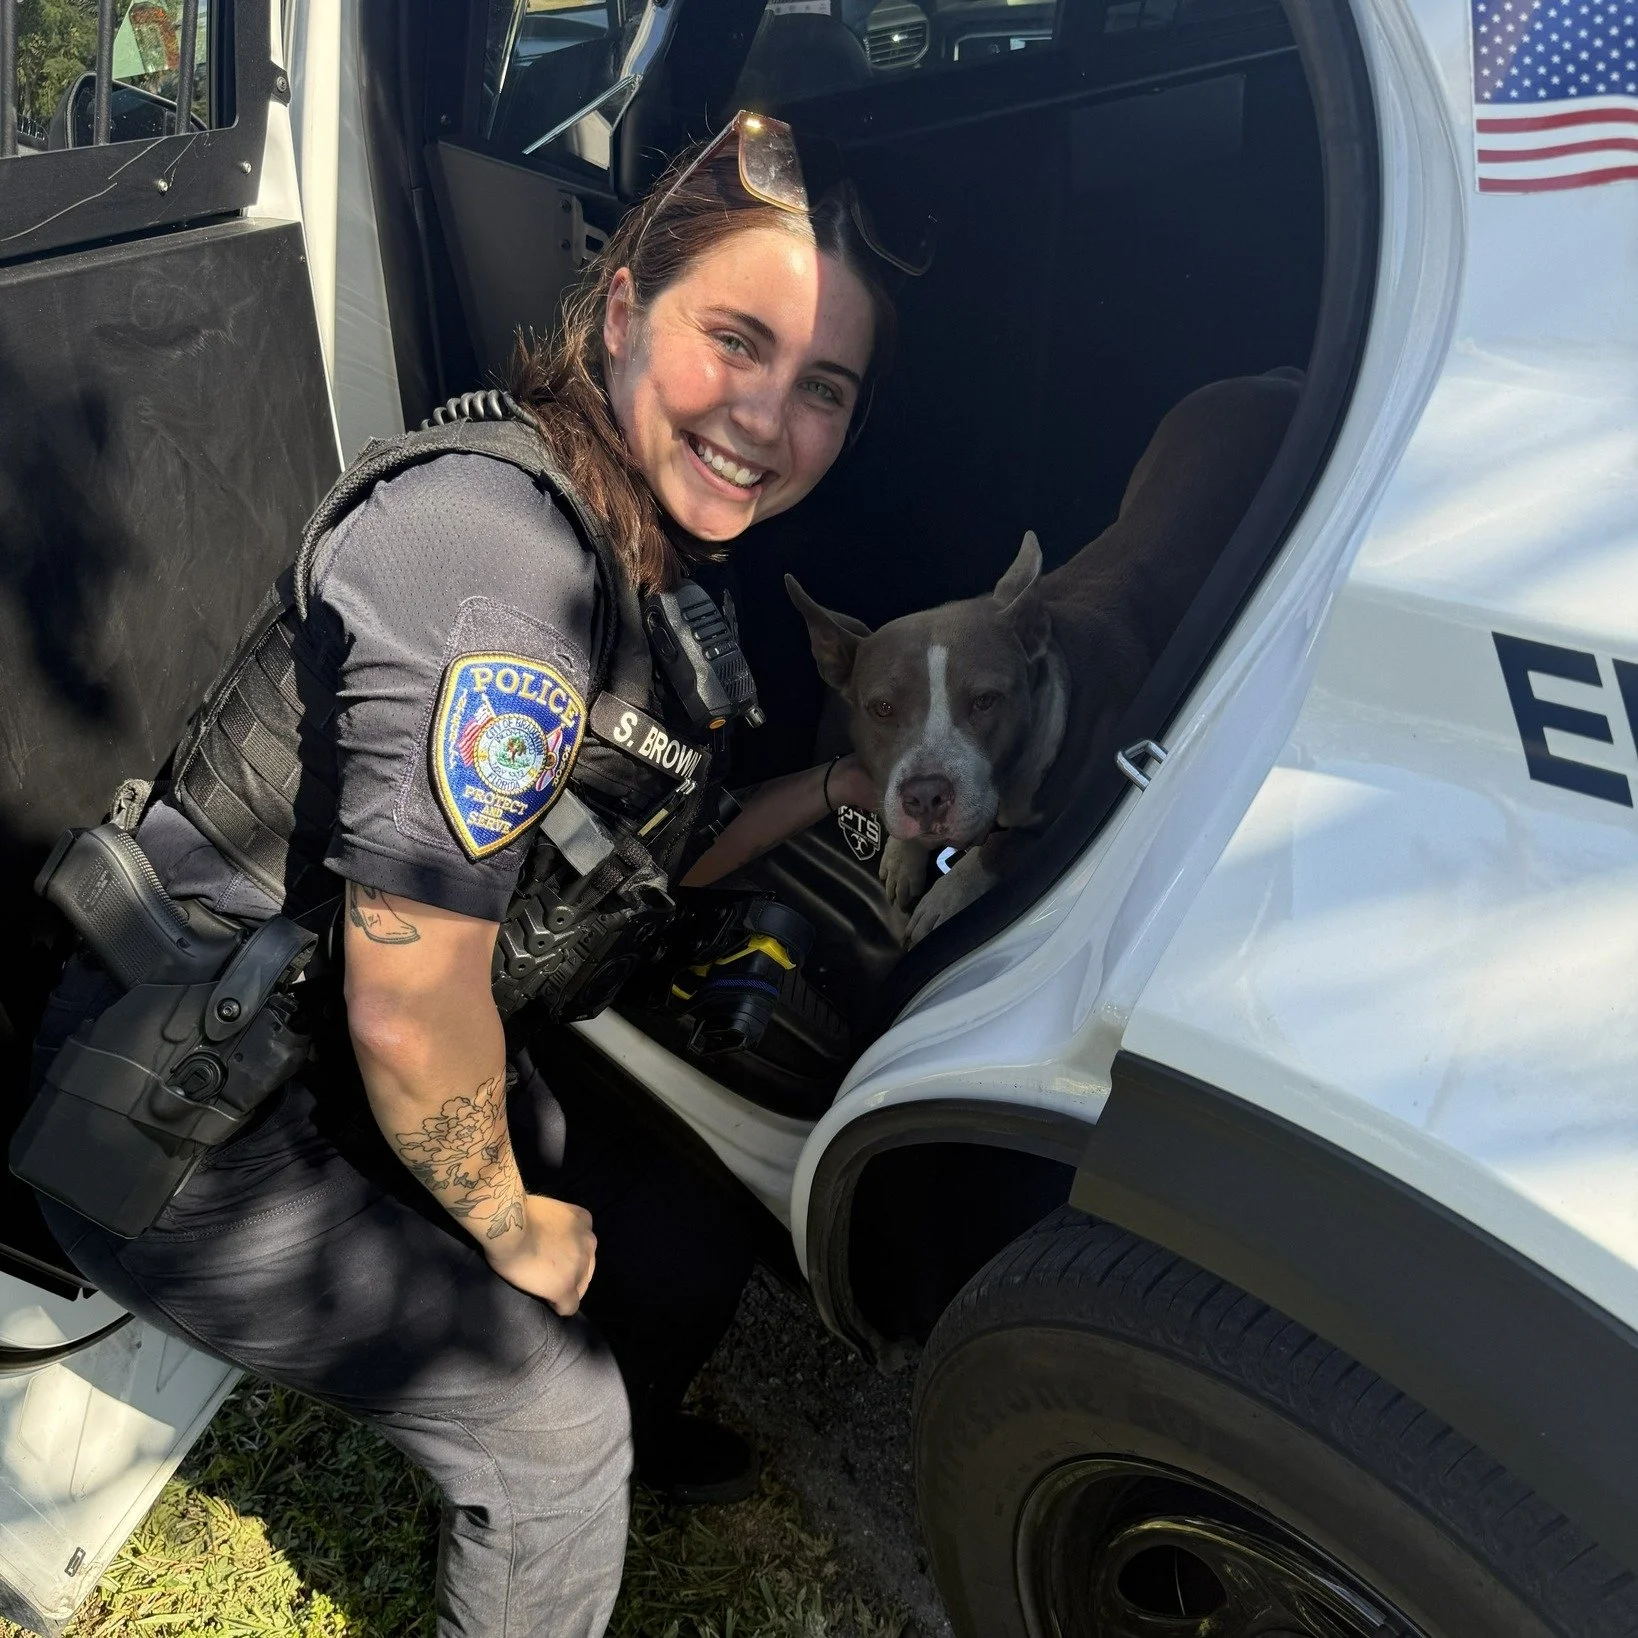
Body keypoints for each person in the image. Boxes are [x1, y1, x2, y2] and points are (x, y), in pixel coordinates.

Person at [26, 113, 900, 1638]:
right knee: (551, 1434)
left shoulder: (654, 552)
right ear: (623, 308)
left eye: (821, 384)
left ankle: (616, 1440)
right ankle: (567, 1472)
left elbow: (658, 850)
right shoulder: (493, 555)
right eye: (734, 340)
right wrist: (507, 1224)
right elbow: (413, 1003)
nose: (770, 415)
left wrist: (831, 786)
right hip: (188, 1098)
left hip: (323, 1046)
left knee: (681, 1226)